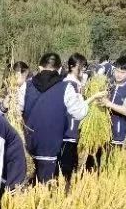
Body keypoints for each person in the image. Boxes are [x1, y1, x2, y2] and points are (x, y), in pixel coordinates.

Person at [19, 53, 102, 182]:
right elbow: (79, 112)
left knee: (31, 181)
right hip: (52, 144)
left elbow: (17, 110)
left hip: (29, 143)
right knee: (46, 184)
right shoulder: (65, 88)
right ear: (59, 69)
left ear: (40, 68)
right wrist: (86, 100)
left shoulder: (26, 85)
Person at [60, 53, 103, 177]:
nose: (84, 69)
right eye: (82, 66)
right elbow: (77, 108)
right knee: (66, 165)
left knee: (73, 163)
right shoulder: (69, 84)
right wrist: (93, 97)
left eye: (85, 66)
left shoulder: (77, 83)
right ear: (72, 66)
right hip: (69, 130)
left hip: (76, 129)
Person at [99, 56, 126, 148]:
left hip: (118, 132)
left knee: (113, 159)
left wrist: (108, 104)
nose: (118, 75)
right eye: (117, 71)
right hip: (101, 130)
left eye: (123, 72)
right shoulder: (108, 84)